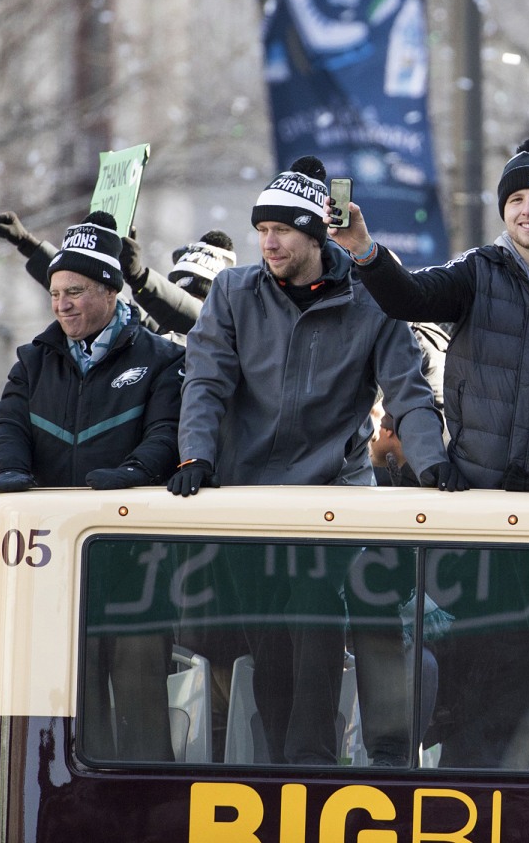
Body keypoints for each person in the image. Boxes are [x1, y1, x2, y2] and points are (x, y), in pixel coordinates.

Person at [331, 135, 529, 771]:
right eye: (517, 200)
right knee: (477, 672)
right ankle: (471, 808)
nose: (528, 210)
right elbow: (409, 299)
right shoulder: (477, 273)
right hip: (480, 520)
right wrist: (364, 250)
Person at [169, 167, 451, 766]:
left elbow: (409, 393)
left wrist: (434, 470)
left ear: (315, 238)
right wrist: (196, 454)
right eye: (262, 230)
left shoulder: (371, 303)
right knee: (270, 645)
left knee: (316, 620)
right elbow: (205, 381)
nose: (269, 243)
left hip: (326, 499)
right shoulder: (232, 293)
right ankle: (281, 766)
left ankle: (312, 762)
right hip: (246, 501)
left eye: (282, 232)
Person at [0, 211, 185, 761]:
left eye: (75, 291)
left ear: (112, 290)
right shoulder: (33, 361)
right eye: (55, 294)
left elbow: (167, 435)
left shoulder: (163, 360)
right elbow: (4, 428)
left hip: (134, 571)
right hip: (52, 574)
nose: (62, 304)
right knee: (66, 715)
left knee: (141, 716)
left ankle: (146, 816)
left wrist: (136, 473)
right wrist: (7, 472)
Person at [0, 210, 236, 337]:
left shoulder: (230, 336)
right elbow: (96, 299)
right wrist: (31, 246)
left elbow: (200, 321)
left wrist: (139, 277)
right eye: (180, 293)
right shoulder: (154, 336)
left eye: (199, 297)